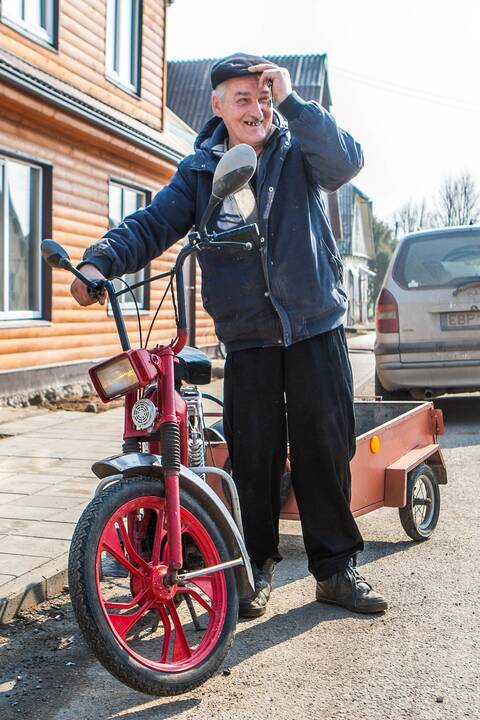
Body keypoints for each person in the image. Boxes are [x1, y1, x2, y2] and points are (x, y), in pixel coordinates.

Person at [71, 53, 387, 618]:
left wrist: (292, 100)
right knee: (253, 456)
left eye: (264, 97)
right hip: (248, 338)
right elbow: (153, 223)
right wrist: (100, 262)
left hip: (315, 326)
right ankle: (255, 567)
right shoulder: (199, 173)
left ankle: (336, 569)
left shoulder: (299, 149)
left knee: (325, 447)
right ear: (217, 106)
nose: (258, 108)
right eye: (243, 98)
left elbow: (346, 163)